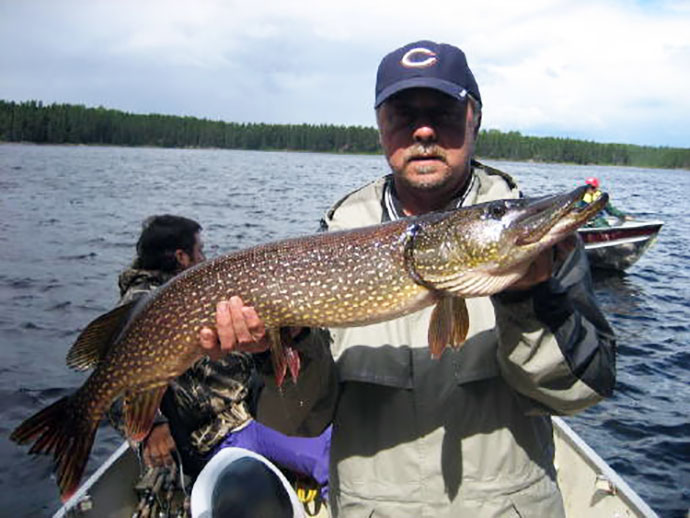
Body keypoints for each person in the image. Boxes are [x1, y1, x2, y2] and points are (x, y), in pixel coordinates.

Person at [199, 40, 616, 517]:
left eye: (441, 111)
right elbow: (300, 421)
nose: (422, 130)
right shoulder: (336, 235)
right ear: (381, 127)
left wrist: (529, 296)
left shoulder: (538, 249)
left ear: (473, 117)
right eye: (402, 114)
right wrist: (279, 348)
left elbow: (578, 394)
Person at [111, 214, 331, 511]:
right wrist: (153, 426)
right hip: (222, 433)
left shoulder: (193, 288)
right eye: (200, 250)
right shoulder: (144, 303)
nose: (204, 257)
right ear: (181, 256)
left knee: (329, 426)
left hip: (246, 410)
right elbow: (114, 381)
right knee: (334, 455)